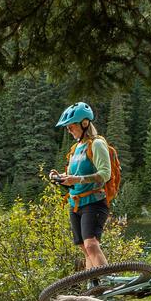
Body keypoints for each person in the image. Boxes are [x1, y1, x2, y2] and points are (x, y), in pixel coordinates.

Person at [48, 102, 112, 271]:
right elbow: (74, 177)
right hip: (75, 203)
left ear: (85, 123)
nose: (69, 130)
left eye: (71, 126)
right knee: (84, 248)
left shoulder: (97, 144)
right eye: (67, 128)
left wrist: (77, 179)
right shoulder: (76, 148)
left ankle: (109, 283)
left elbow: (105, 174)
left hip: (94, 202)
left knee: (91, 244)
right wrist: (60, 178)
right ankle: (94, 286)